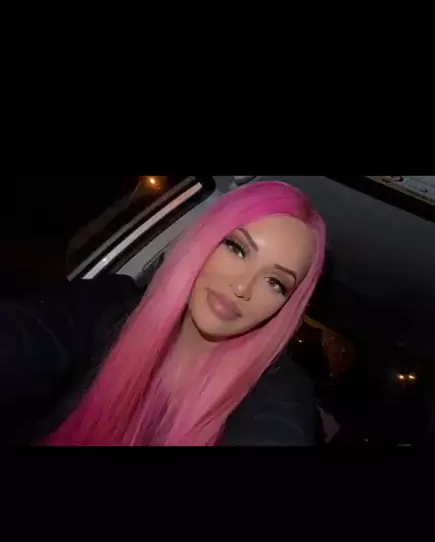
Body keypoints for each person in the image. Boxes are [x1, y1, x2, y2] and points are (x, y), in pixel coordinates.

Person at [0, 180, 327, 447]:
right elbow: (26, 338)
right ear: (205, 238)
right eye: (237, 249)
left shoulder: (278, 395)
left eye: (275, 282)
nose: (242, 287)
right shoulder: (109, 306)